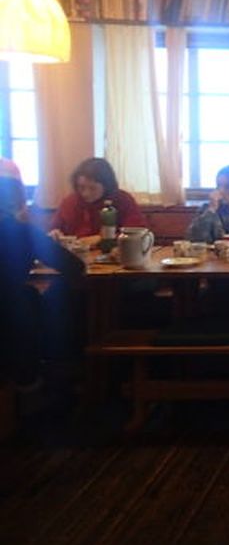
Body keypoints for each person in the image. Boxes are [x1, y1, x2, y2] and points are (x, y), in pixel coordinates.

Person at [0, 159, 84, 405]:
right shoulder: (21, 231)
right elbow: (74, 267)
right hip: (10, 320)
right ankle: (33, 386)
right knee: (37, 302)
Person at [51, 157, 145, 246]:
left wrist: (102, 238)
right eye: (81, 187)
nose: (85, 193)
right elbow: (54, 229)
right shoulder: (70, 202)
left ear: (106, 186)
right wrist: (54, 234)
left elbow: (137, 233)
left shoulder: (122, 200)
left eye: (93, 188)